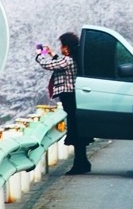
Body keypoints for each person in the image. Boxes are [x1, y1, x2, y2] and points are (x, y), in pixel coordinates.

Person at [35, 32, 94, 175]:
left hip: (69, 97)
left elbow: (49, 65)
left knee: (75, 130)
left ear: (66, 48)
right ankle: (82, 162)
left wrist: (39, 55)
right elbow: (59, 62)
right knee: (77, 130)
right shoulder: (73, 59)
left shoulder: (67, 61)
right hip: (74, 97)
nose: (61, 49)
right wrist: (52, 53)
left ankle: (80, 164)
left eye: (62, 46)